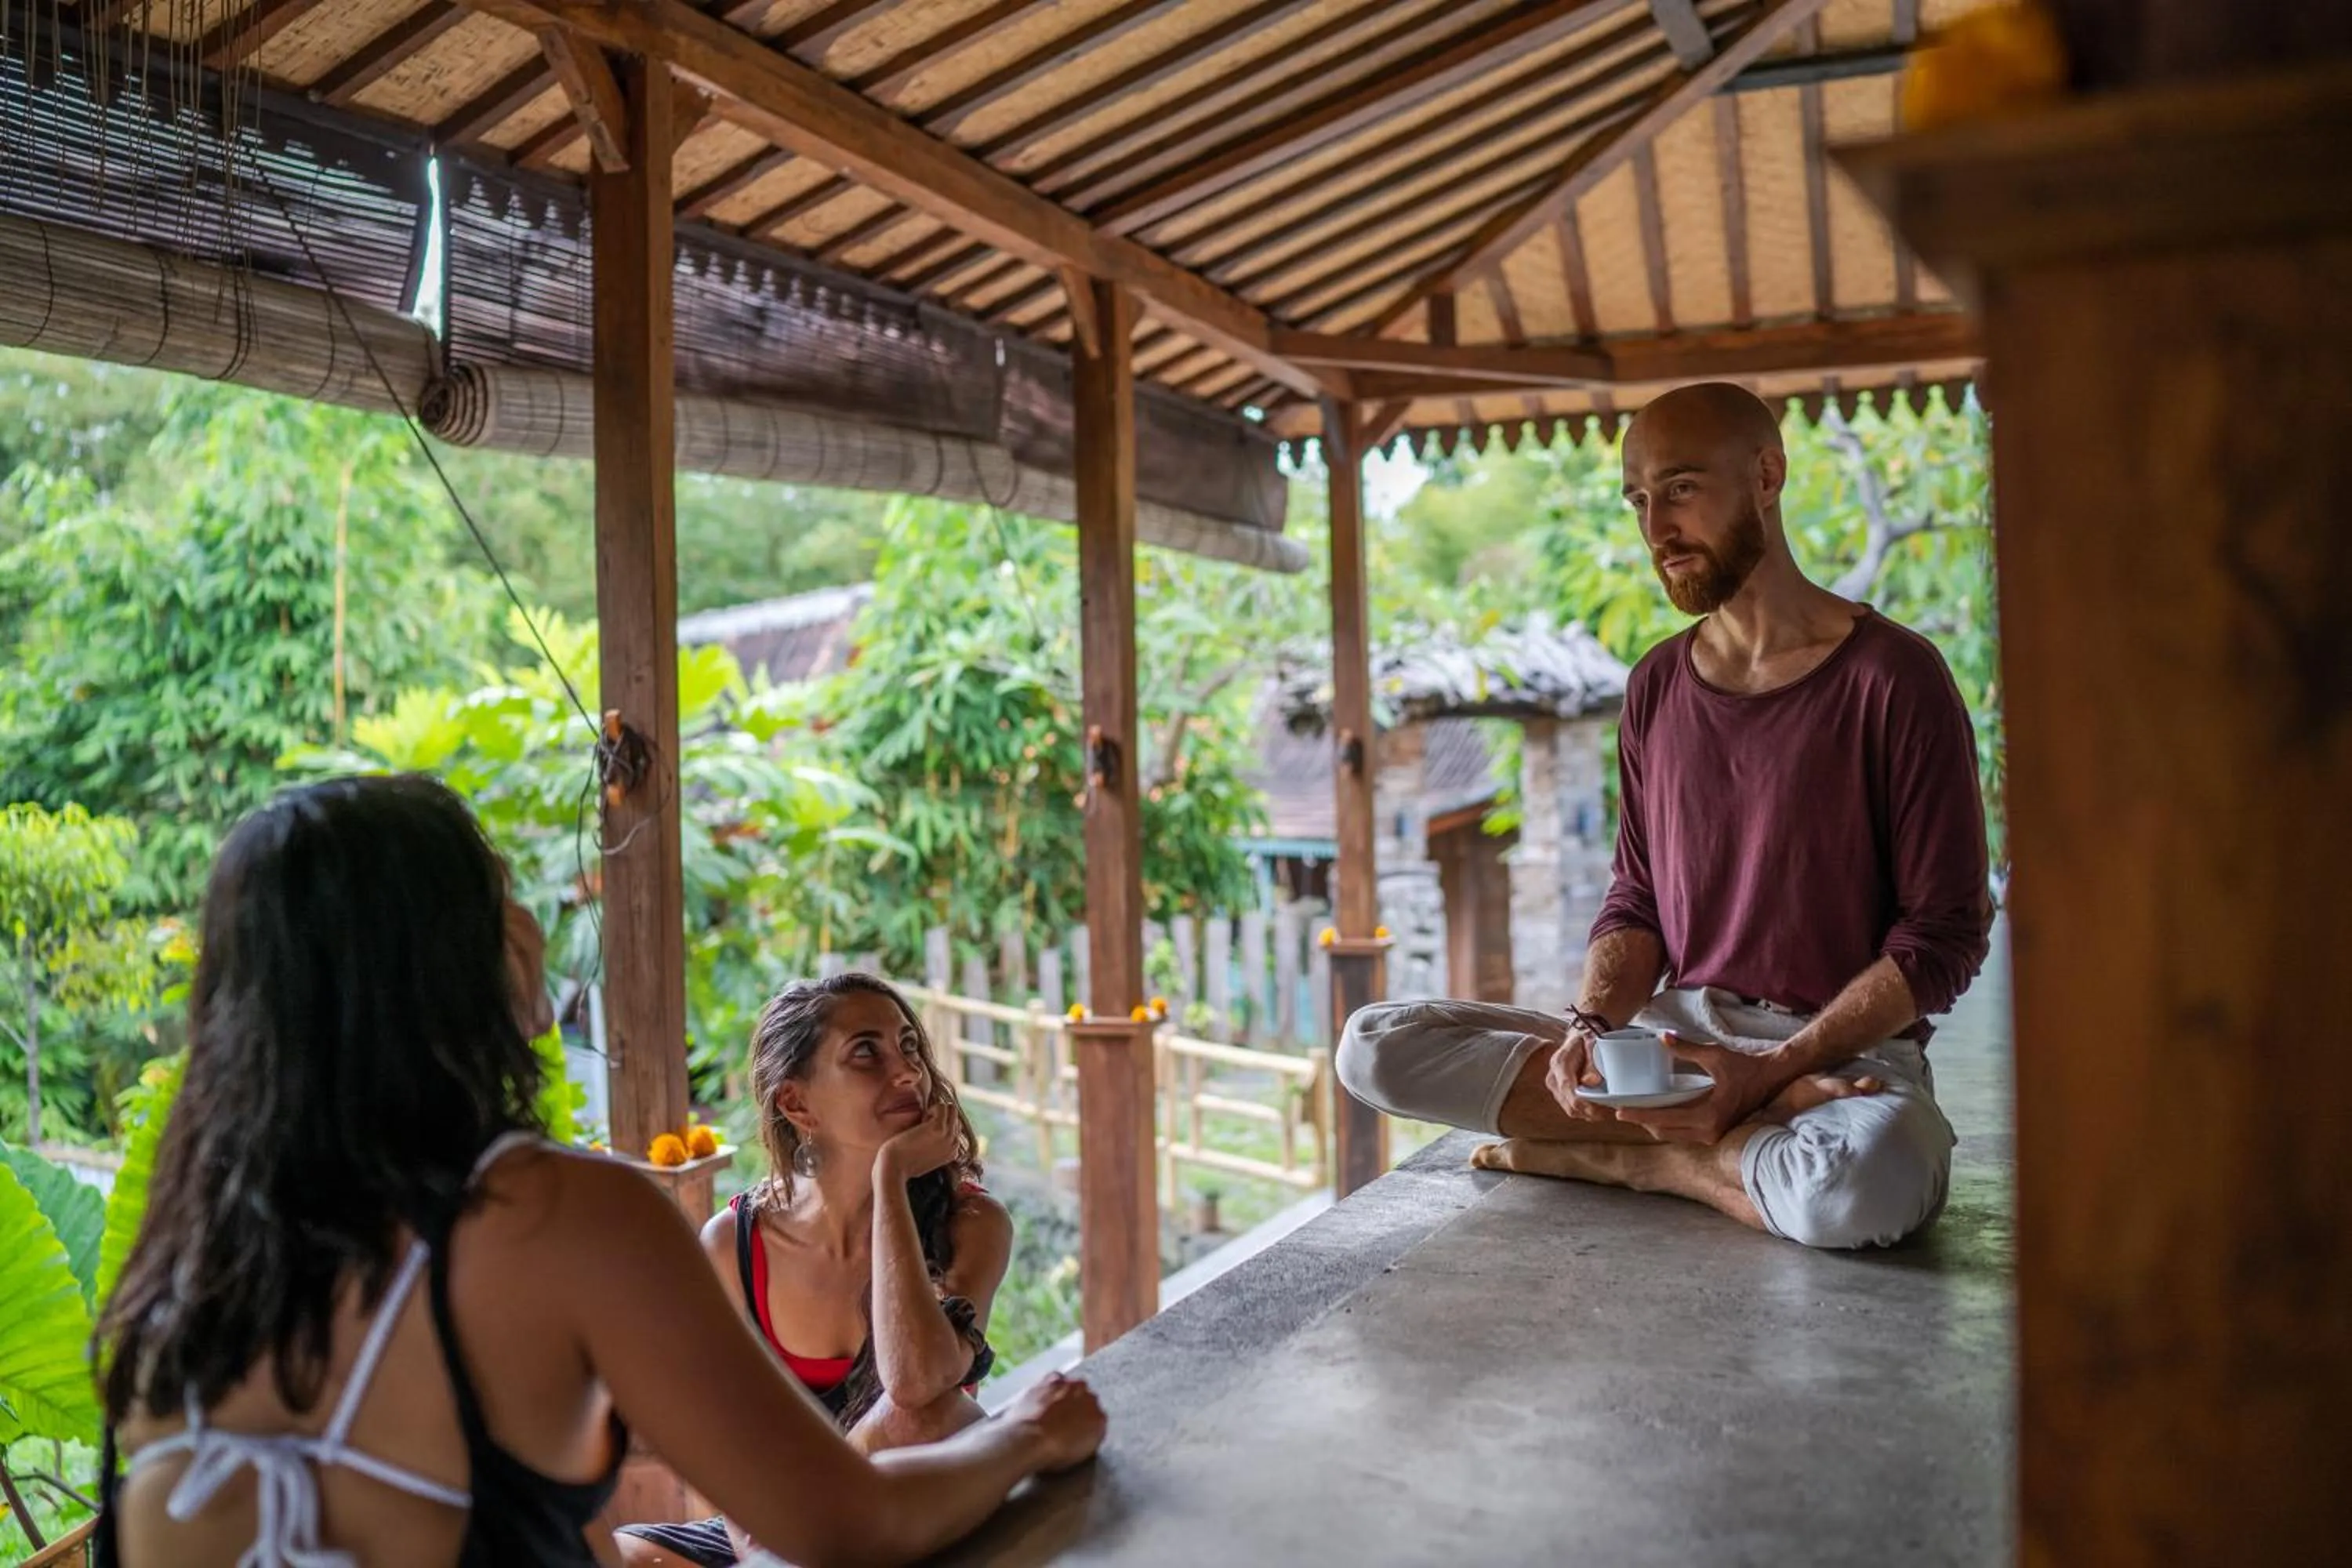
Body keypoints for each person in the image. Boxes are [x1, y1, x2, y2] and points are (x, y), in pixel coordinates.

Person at [95, 775, 1103, 1568]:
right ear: (440, 963)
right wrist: (1025, 1433)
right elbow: (848, 1523)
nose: (529, 924)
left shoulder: (184, 1267)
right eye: (499, 897)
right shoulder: (565, 1217)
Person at [1337, 383, 1991, 1250]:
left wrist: (1772, 1071)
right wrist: (1591, 1029)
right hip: (1668, 1054)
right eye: (1640, 500)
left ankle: (1644, 1161)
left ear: (1767, 474)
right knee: (1373, 1045)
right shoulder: (1655, 684)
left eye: (1681, 489)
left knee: (1859, 1187)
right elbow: (1638, 899)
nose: (1656, 530)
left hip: (1840, 1064)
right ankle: (1718, 1143)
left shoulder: (1896, 678)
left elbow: (1945, 934)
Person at [617, 975, 1013, 1566]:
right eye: (866, 1053)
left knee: (919, 1413)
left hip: (907, 1509)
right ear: (796, 1104)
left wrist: (891, 1181)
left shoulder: (971, 1222)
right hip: (775, 1534)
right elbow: (724, 1454)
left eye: (909, 1047)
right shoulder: (735, 1245)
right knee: (612, 1553)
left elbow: (912, 1381)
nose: (907, 1072)